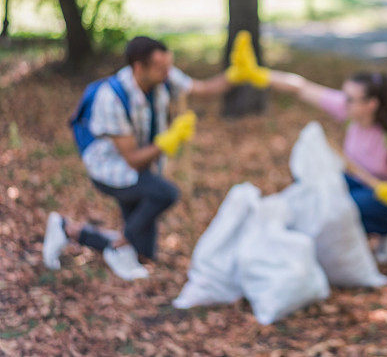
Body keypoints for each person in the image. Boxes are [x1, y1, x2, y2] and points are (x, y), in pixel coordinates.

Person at [43, 32, 269, 280]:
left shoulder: (164, 77)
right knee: (165, 193)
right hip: (111, 171)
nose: (168, 72)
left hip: (138, 167)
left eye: (168, 65)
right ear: (139, 67)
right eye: (161, 67)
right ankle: (119, 246)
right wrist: (169, 139)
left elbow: (202, 89)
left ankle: (66, 229)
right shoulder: (111, 98)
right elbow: (132, 159)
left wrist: (234, 75)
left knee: (144, 253)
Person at [269, 69, 387, 263]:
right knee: (316, 191)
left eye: (350, 98)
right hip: (360, 181)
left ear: (371, 104)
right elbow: (301, 88)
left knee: (347, 208)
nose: (343, 101)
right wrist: (260, 75)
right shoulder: (348, 110)